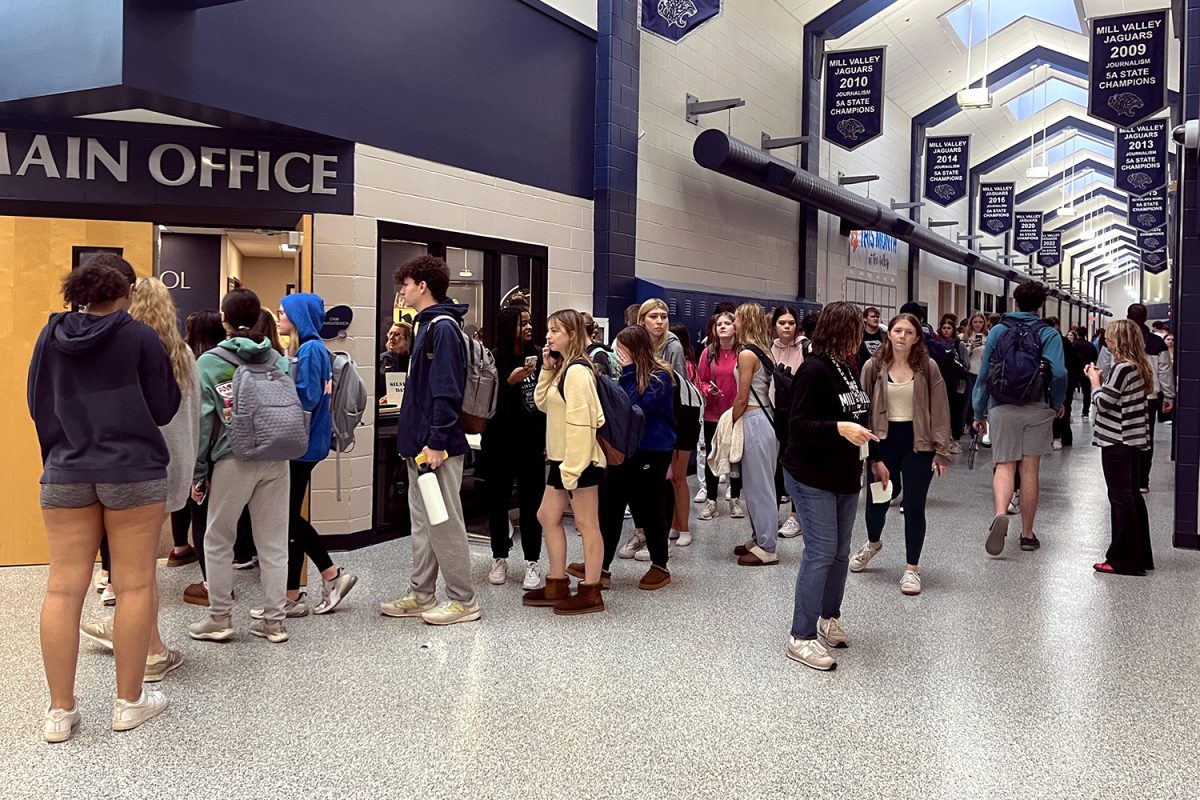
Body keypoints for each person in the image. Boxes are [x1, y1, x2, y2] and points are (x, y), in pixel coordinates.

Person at [28, 256, 181, 740]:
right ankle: (128, 703)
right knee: (135, 585)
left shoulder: (48, 337)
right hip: (133, 471)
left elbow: (36, 402)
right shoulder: (138, 337)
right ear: (125, 294)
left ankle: (59, 712)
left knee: (62, 588)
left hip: (66, 470)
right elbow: (163, 407)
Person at [188, 289, 294, 644]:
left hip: (233, 458)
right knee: (274, 542)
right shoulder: (277, 359)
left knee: (218, 538)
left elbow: (204, 423)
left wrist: (198, 473)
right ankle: (275, 622)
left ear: (224, 320)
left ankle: (220, 618)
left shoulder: (209, 362)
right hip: (277, 457)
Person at [378, 256, 479, 625]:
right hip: (420, 444)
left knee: (444, 521)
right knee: (423, 522)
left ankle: (463, 600)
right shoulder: (426, 327)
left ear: (423, 285)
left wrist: (436, 441)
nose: (402, 292)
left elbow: (446, 391)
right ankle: (422, 593)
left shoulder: (443, 329)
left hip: (436, 446)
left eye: (405, 285)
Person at [782, 302, 876, 671]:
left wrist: (877, 459)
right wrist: (838, 428)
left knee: (840, 553)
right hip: (811, 474)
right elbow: (799, 425)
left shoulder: (848, 367)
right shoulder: (814, 370)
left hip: (845, 472)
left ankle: (828, 616)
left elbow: (858, 416)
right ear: (842, 330)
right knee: (820, 552)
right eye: (857, 329)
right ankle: (800, 637)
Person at [849, 313, 951, 596]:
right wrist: (867, 449)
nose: (902, 336)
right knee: (877, 502)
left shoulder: (927, 367)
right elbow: (862, 408)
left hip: (919, 443)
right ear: (889, 334)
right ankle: (872, 543)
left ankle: (911, 569)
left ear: (917, 337)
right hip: (884, 441)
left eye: (908, 332)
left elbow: (941, 410)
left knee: (915, 507)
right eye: (897, 330)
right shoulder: (873, 366)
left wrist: (942, 452)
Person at [274, 293, 358, 617]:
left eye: (283, 312)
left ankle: (330, 574)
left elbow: (306, 398)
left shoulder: (309, 350)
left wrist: (276, 382)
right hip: (306, 446)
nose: (279, 316)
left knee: (288, 516)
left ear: (298, 318)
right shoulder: (311, 349)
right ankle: (292, 594)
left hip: (302, 447)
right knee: (289, 517)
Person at [972, 281, 1068, 555]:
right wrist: (1057, 402)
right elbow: (1059, 373)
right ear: (1040, 305)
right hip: (1037, 406)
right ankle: (1027, 534)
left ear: (1015, 302)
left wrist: (979, 412)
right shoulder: (1048, 333)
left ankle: (1001, 513)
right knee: (1029, 470)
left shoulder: (999, 330)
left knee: (1004, 464)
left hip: (1001, 405)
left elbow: (983, 375)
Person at [530, 310, 607, 613]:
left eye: (556, 331)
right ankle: (557, 583)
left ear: (572, 335)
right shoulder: (563, 369)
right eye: (548, 330)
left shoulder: (577, 372)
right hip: (563, 460)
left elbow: (582, 425)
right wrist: (547, 371)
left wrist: (572, 472)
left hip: (579, 461)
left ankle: (591, 591)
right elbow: (542, 403)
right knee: (547, 517)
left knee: (588, 525)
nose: (548, 336)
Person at [599, 326, 676, 589]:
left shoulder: (661, 376)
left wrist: (629, 370)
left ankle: (660, 565)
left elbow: (635, 407)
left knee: (649, 506)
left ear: (632, 349)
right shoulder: (626, 375)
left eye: (619, 349)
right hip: (627, 448)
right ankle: (602, 566)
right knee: (611, 506)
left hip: (653, 449)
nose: (615, 354)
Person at [484, 305, 547, 590]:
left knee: (532, 503)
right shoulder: (494, 360)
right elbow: (487, 405)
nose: (529, 327)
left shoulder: (541, 357)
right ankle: (499, 556)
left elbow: (546, 403)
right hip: (499, 442)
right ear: (510, 326)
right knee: (497, 502)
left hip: (531, 443)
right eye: (523, 323)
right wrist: (510, 382)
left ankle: (532, 561)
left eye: (530, 322)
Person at [1086, 321, 1154, 576]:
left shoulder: (1121, 368)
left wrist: (1095, 381)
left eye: (1111, 339)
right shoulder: (1139, 366)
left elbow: (1103, 403)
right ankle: (1141, 555)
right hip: (1134, 440)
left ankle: (1123, 559)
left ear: (1120, 341)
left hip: (1117, 440)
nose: (1107, 343)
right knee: (1132, 496)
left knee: (1120, 498)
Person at [1098, 303, 1174, 492]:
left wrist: (1103, 385)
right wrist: (1169, 396)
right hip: (1149, 397)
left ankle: (1128, 479)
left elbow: (1104, 367)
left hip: (1120, 397)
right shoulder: (1158, 342)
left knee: (1122, 439)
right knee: (1145, 438)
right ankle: (1142, 481)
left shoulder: (1116, 341)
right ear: (1146, 317)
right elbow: (1165, 372)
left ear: (1127, 315)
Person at [730, 303, 781, 566]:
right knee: (755, 484)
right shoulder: (763, 351)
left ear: (745, 321)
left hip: (753, 419)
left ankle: (768, 546)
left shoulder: (746, 355)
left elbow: (742, 396)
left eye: (736, 319)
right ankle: (759, 536)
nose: (733, 324)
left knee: (759, 486)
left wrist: (731, 423)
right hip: (766, 419)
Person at [696, 311, 742, 519]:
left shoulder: (742, 352)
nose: (722, 327)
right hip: (714, 413)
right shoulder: (708, 353)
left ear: (735, 327)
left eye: (727, 323)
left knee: (736, 458)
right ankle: (711, 500)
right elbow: (701, 381)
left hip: (737, 412)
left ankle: (735, 500)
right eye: (719, 324)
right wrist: (708, 390)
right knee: (713, 456)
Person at [665, 321, 701, 546]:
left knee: (679, 476)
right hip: (667, 419)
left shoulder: (679, 355)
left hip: (683, 417)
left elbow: (679, 387)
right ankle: (673, 524)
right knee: (668, 478)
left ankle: (684, 526)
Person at [771, 305, 804, 539]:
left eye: (791, 323)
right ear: (774, 325)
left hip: (797, 412)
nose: (786, 327)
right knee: (776, 464)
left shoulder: (805, 347)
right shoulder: (769, 349)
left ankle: (795, 516)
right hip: (774, 412)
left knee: (795, 465)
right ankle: (772, 513)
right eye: (782, 322)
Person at [1046, 317, 1080, 450]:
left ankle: (1057, 437)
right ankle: (1064, 437)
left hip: (1063, 380)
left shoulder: (1061, 342)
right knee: (1063, 409)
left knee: (1059, 409)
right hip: (1065, 380)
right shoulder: (1062, 341)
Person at [937, 315, 967, 452]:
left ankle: (956, 439)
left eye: (949, 328)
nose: (946, 331)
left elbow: (966, 365)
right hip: (941, 382)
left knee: (956, 411)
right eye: (944, 328)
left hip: (956, 384)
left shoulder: (958, 344)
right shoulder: (937, 344)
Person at [963, 313, 988, 431]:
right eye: (975, 322)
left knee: (980, 400)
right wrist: (971, 347)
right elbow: (963, 356)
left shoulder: (988, 336)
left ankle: (978, 425)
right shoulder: (964, 336)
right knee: (970, 400)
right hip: (970, 371)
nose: (978, 324)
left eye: (980, 322)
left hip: (983, 371)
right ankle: (969, 422)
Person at [378, 321, 412, 401]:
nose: (391, 338)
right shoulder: (382, 360)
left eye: (397, 334)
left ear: (408, 339)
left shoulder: (415, 360)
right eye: (390, 334)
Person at [1072, 325, 1099, 415]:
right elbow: (1095, 357)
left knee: (1070, 391)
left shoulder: (1073, 345)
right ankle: (1085, 411)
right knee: (1086, 392)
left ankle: (1069, 410)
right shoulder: (1090, 345)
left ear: (1077, 333)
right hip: (1086, 370)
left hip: (1074, 371)